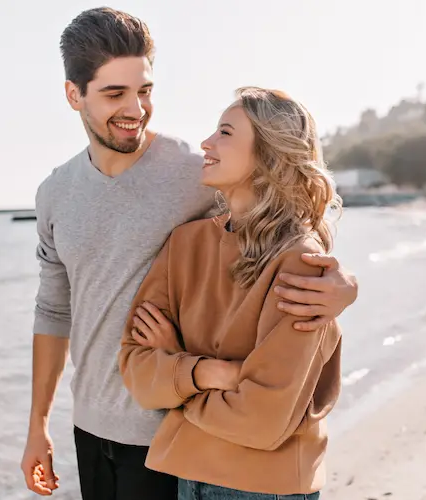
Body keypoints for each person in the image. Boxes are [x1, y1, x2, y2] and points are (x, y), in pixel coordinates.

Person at [20, 8, 359, 500]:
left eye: (145, 91)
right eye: (114, 94)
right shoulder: (55, 193)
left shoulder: (193, 172)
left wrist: (345, 286)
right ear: (75, 95)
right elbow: (53, 310)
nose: (135, 108)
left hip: (176, 435)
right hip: (93, 426)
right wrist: (38, 426)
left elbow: (283, 220)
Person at [119, 87, 341, 500]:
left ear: (268, 155)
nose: (206, 142)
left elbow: (261, 419)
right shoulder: (184, 244)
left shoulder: (300, 263)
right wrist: (208, 372)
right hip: (187, 477)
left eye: (225, 132)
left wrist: (177, 377)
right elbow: (136, 370)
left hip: (265, 488)